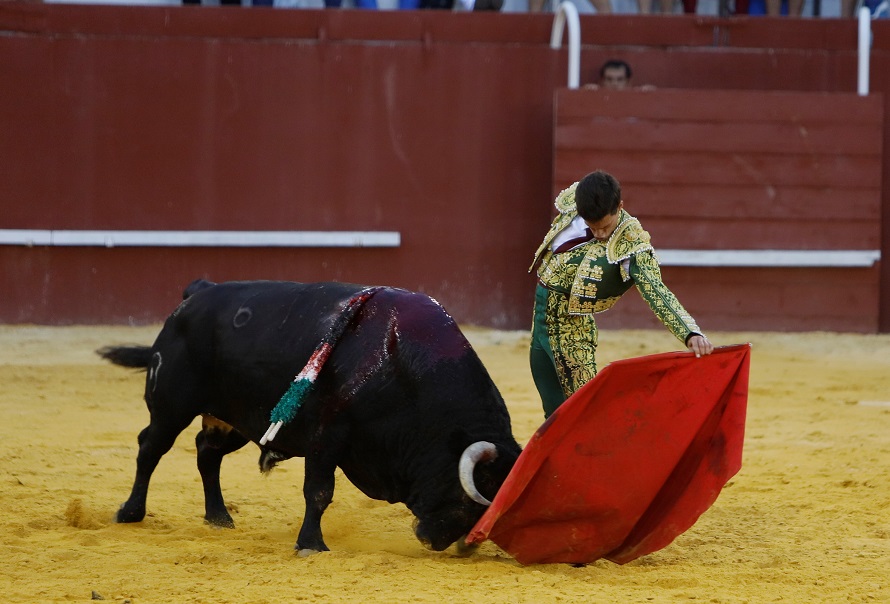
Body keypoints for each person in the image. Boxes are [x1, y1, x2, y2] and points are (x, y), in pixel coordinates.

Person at [528, 170, 714, 418]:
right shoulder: (577, 203)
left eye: (605, 226)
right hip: (540, 322)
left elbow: (655, 289)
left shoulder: (631, 242)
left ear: (620, 207)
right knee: (552, 413)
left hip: (571, 332)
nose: (599, 234)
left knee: (584, 414)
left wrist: (689, 332)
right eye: (592, 227)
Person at [583, 60, 655, 91]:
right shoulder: (595, 100)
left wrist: (649, 95)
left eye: (620, 79)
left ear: (628, 82)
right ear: (602, 81)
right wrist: (585, 94)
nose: (614, 83)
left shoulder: (638, 101)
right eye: (609, 79)